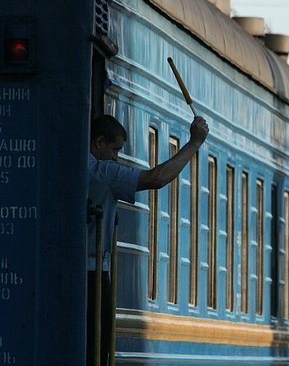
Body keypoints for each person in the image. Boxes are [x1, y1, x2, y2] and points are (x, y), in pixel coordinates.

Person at [86, 114, 209, 366]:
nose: (116, 157)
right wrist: (194, 143)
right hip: (92, 277)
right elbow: (157, 178)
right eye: (114, 149)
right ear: (98, 142)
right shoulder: (102, 172)